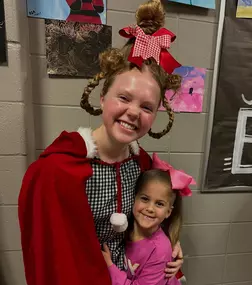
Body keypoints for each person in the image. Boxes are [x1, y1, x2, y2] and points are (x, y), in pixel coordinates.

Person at [18, 1, 184, 285]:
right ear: (103, 98)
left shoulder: (141, 163)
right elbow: (50, 255)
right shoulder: (56, 172)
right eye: (124, 97)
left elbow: (153, 215)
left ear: (156, 115)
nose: (133, 112)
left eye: (147, 107)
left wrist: (168, 244)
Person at [102, 153, 195, 284]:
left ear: (168, 212)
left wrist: (110, 267)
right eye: (145, 199)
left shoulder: (159, 251)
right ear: (133, 198)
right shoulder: (126, 226)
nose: (150, 208)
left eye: (159, 204)